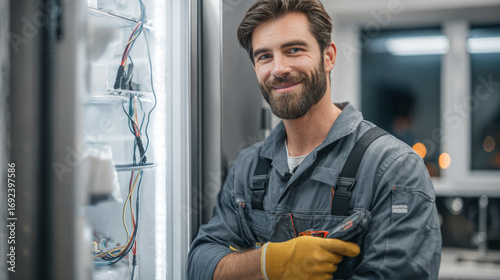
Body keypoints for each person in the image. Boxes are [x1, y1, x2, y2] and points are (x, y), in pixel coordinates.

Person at [188, 0, 442, 279]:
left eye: (293, 50)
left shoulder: (394, 168)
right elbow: (200, 263)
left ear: (329, 56)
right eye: (264, 56)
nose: (279, 68)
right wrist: (269, 262)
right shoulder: (248, 167)